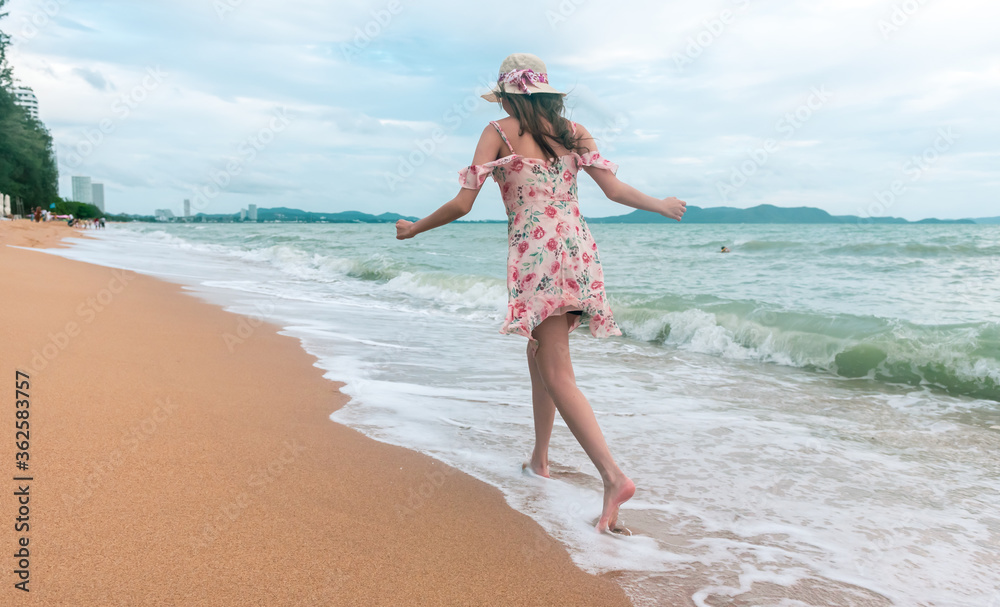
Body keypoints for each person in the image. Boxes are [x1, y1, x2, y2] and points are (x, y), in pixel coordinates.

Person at [395, 53, 687, 533]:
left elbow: (463, 204)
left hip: (537, 256)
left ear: (507, 94)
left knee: (556, 369)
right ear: (546, 91)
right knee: (540, 355)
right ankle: (540, 460)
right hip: (578, 250)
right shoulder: (574, 132)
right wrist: (660, 205)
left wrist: (415, 229)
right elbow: (613, 192)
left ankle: (614, 478)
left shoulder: (499, 131)